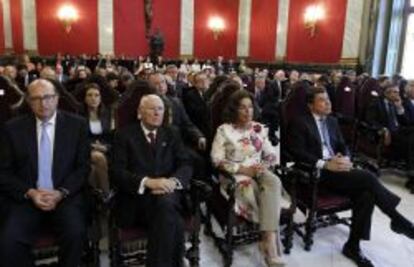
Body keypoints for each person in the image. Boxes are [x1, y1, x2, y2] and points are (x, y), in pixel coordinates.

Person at [288, 86, 414, 267]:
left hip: (339, 170)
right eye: (322, 100)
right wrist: (325, 163)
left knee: (367, 194)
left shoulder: (331, 121)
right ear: (310, 105)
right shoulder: (300, 122)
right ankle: (398, 220)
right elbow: (297, 152)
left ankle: (353, 246)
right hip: (317, 173)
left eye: (329, 99)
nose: (328, 103)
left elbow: (342, 145)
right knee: (369, 178)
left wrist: (344, 157)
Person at [0, 78, 90, 267]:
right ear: (28, 101)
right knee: (9, 241)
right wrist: (31, 193)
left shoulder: (77, 125)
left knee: (75, 234)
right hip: (27, 199)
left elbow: (83, 168)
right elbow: (4, 172)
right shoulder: (12, 129)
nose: (43, 103)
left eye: (48, 97)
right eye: (36, 99)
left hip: (64, 197)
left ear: (57, 98)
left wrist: (61, 193)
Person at [111, 94, 192, 267]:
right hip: (138, 201)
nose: (157, 113)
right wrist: (147, 182)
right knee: (172, 217)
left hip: (169, 194)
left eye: (160, 109)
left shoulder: (172, 133)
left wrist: (173, 182)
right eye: (152, 108)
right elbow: (117, 172)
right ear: (140, 113)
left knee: (165, 206)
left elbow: (185, 163)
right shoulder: (123, 135)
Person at [211, 90, 285, 267]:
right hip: (235, 175)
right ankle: (271, 244)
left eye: (250, 107)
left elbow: (271, 154)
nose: (247, 111)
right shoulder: (224, 130)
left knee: (274, 181)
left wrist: (264, 166)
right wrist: (243, 169)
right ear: (234, 110)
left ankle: (267, 239)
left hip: (258, 170)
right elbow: (216, 159)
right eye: (242, 108)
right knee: (252, 189)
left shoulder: (259, 128)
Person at [80, 83, 113, 197]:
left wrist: (105, 147)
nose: (93, 98)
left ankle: (96, 198)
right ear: (85, 98)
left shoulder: (108, 114)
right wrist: (93, 146)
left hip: (107, 149)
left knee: (93, 170)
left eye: (96, 95)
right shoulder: (79, 115)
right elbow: (78, 137)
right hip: (86, 149)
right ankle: (106, 194)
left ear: (100, 98)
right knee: (98, 157)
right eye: (89, 95)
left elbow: (114, 137)